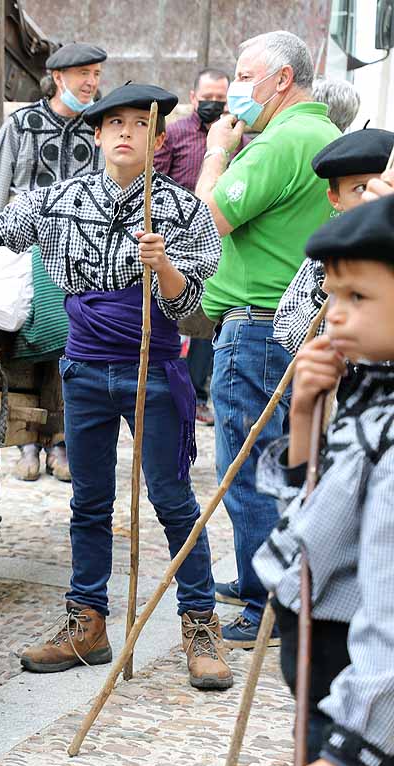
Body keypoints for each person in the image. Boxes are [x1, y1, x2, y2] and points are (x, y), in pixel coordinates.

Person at [0, 83, 233, 690]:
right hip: (82, 368)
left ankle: (200, 625)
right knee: (88, 501)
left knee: (172, 497)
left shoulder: (181, 211)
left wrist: (161, 262)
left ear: (159, 140)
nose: (127, 132)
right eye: (116, 124)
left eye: (141, 124)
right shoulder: (61, 200)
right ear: (99, 135)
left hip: (152, 369)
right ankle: (87, 623)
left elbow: (188, 305)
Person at [193, 30, 339, 647]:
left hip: (256, 327)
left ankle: (265, 603)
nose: (237, 89)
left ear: (283, 79)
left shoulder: (282, 141)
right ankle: (273, 581)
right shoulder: (325, 136)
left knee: (246, 467)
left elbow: (204, 221)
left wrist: (217, 151)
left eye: (246, 76)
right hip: (299, 323)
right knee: (285, 463)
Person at [254, 194, 394, 766]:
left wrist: (353, 755)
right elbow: (315, 505)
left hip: (363, 698)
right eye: (332, 296)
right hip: (326, 672)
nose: (333, 315)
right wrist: (307, 411)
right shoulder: (370, 393)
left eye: (358, 298)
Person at [0, 42, 108, 483]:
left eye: (96, 74)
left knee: (73, 339)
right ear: (58, 78)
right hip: (20, 249)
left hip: (78, 252)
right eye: (83, 74)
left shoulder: (99, 128)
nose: (91, 83)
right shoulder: (22, 124)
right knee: (16, 332)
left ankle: (61, 440)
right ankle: (26, 440)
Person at [154, 67, 232, 426]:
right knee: (167, 314)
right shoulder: (174, 133)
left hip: (214, 242)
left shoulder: (234, 139)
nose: (214, 106)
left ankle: (198, 395)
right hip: (172, 241)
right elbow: (155, 180)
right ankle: (163, 388)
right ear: (193, 97)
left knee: (207, 319)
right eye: (208, 99)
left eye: (221, 99)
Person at [273, 127, 394, 355]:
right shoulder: (324, 257)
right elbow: (290, 336)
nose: (373, 198)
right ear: (335, 199)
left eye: (386, 186)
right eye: (360, 188)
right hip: (351, 388)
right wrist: (329, 287)